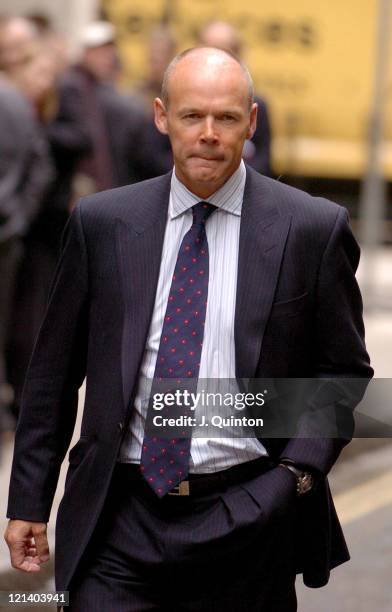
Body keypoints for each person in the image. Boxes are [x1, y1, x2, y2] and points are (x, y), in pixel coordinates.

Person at [5, 47, 372, 611]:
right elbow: (53, 374)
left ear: (250, 121)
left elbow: (341, 371)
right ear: (161, 117)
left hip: (246, 515)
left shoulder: (310, 228)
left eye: (226, 118)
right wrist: (29, 499)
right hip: (118, 516)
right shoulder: (102, 223)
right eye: (191, 116)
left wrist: (291, 476)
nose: (208, 133)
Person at [198, 20, 272, 175]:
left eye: (223, 51)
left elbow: (264, 158)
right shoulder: (179, 98)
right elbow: (157, 153)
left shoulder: (256, 104)